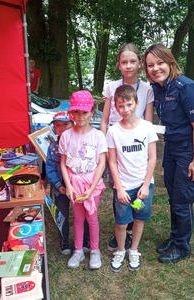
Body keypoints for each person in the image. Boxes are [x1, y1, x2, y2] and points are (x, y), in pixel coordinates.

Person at [143, 44, 194, 264]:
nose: (155, 68)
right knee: (173, 196)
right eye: (150, 65)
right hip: (172, 146)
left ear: (170, 62)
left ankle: (182, 247)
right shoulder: (158, 88)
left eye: (160, 63)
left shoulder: (185, 87)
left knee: (182, 198)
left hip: (189, 149)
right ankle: (175, 237)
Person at [100, 42, 154, 252]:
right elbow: (104, 120)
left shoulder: (147, 89)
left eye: (132, 61)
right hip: (115, 142)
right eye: (124, 62)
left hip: (137, 142)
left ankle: (131, 230)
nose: (128, 65)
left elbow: (148, 120)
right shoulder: (112, 87)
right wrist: (103, 148)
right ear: (118, 65)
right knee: (118, 186)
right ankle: (121, 227)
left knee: (137, 186)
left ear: (140, 63)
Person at [106, 85, 158, 272]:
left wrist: (145, 186)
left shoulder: (147, 127)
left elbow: (152, 158)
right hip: (123, 187)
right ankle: (121, 250)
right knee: (121, 222)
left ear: (137, 103)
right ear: (115, 107)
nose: (125, 109)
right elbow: (112, 161)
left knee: (139, 219)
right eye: (120, 106)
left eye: (129, 104)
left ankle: (133, 249)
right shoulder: (113, 131)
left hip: (143, 187)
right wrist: (119, 188)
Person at [59, 90, 107, 270]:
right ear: (71, 113)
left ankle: (95, 250)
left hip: (91, 184)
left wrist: (92, 187)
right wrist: (69, 186)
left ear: (92, 112)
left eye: (84, 112)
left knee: (92, 217)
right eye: (76, 112)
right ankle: (78, 250)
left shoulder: (98, 136)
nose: (80, 116)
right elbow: (63, 164)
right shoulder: (66, 136)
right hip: (74, 184)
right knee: (78, 218)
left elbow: (102, 163)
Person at [46, 111, 90, 256]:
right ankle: (64, 239)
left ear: (73, 124)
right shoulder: (52, 147)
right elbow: (50, 169)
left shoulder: (80, 144)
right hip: (62, 189)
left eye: (65, 124)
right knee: (62, 213)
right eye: (57, 125)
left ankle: (85, 239)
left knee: (84, 213)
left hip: (80, 187)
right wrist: (59, 185)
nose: (61, 128)